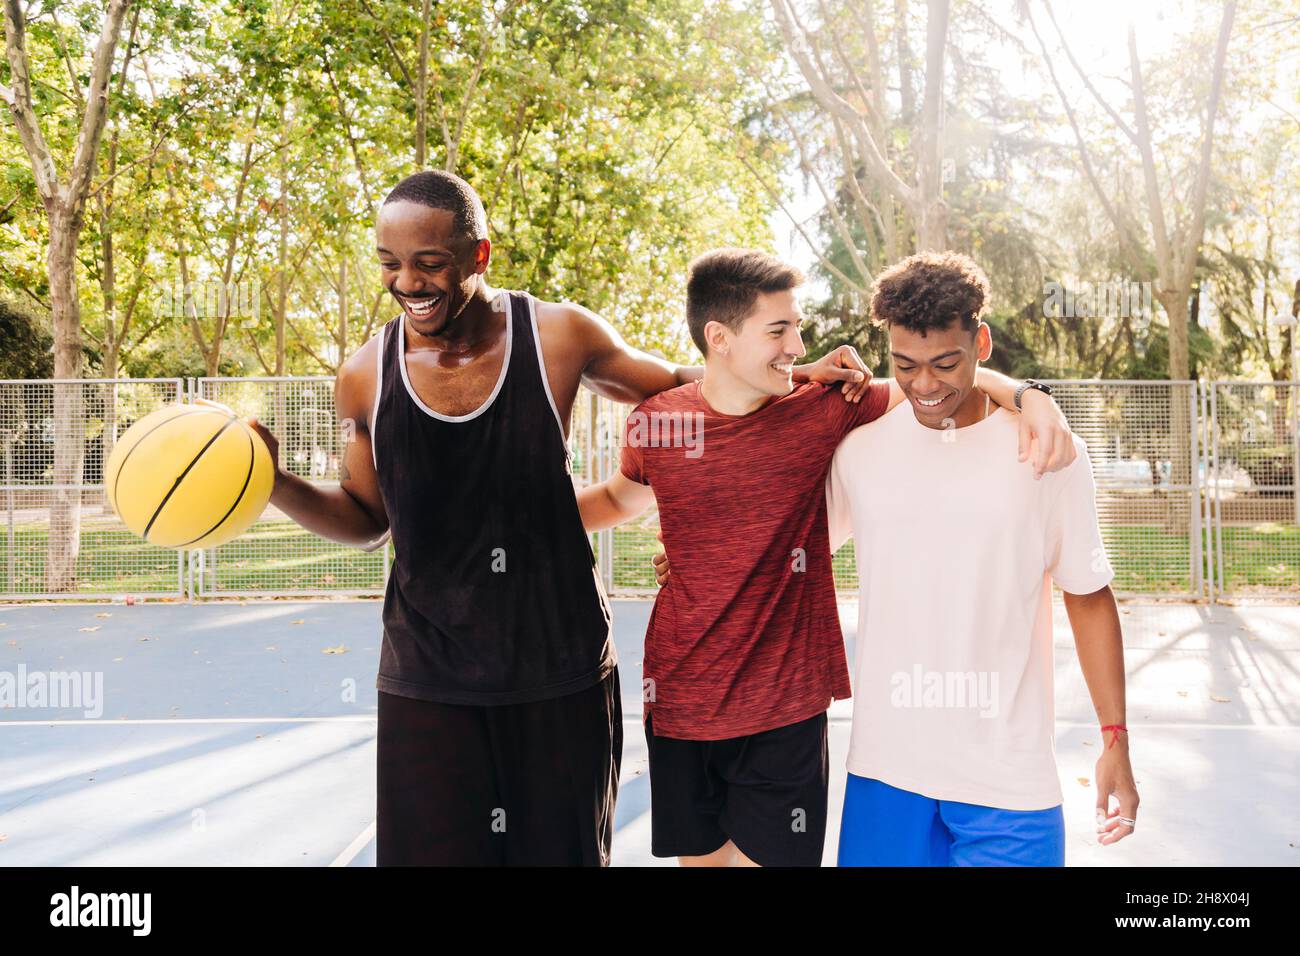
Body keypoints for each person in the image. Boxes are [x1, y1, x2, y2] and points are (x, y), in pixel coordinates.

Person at [245, 171, 871, 866]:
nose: (407, 282)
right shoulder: (365, 373)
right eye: (390, 264)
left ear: (479, 257)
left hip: (560, 669)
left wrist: (790, 372)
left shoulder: (558, 335)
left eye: (429, 263)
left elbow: (686, 391)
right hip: (429, 677)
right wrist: (271, 481)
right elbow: (365, 520)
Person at [578, 247, 1077, 867]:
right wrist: (510, 515)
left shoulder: (824, 410)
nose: (798, 343)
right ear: (720, 338)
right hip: (683, 698)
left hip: (786, 705)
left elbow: (940, 380)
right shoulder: (659, 423)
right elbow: (614, 499)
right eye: (780, 329)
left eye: (798, 327)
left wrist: (1032, 395)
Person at [825, 252, 1138, 865]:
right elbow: (787, 542)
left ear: (982, 343)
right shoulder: (859, 454)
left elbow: (1088, 594)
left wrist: (1115, 741)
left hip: (1009, 780)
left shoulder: (1047, 451)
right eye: (905, 365)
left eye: (946, 363)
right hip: (886, 770)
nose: (924, 385)